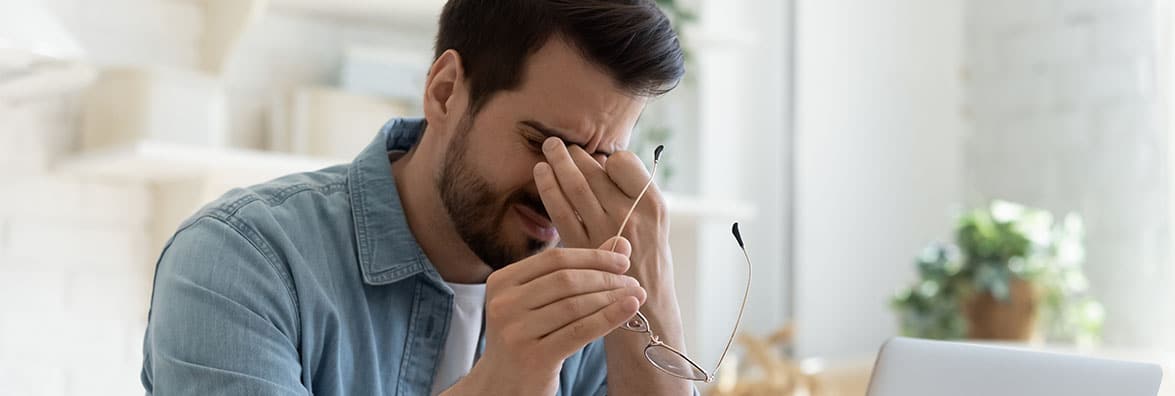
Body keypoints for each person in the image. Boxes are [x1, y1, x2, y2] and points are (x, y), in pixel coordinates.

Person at [140, 0, 693, 394]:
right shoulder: (239, 261)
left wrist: (656, 299)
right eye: (545, 143)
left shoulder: (603, 300)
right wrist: (503, 384)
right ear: (445, 92)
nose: (564, 188)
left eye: (600, 159)